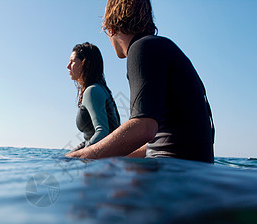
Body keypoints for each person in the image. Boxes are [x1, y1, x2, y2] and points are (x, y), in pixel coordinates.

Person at [66, 0, 215, 163]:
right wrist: (112, 160)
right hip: (192, 170)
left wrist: (74, 158)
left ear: (111, 27)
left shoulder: (141, 48)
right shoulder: (161, 47)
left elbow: (144, 128)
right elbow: (158, 142)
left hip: (174, 174)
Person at [67, 42, 120, 152]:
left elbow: (102, 132)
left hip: (103, 161)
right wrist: (70, 155)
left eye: (72, 62)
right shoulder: (100, 89)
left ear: (85, 63)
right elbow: (90, 138)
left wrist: (79, 156)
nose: (68, 66)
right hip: (103, 155)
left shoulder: (93, 91)